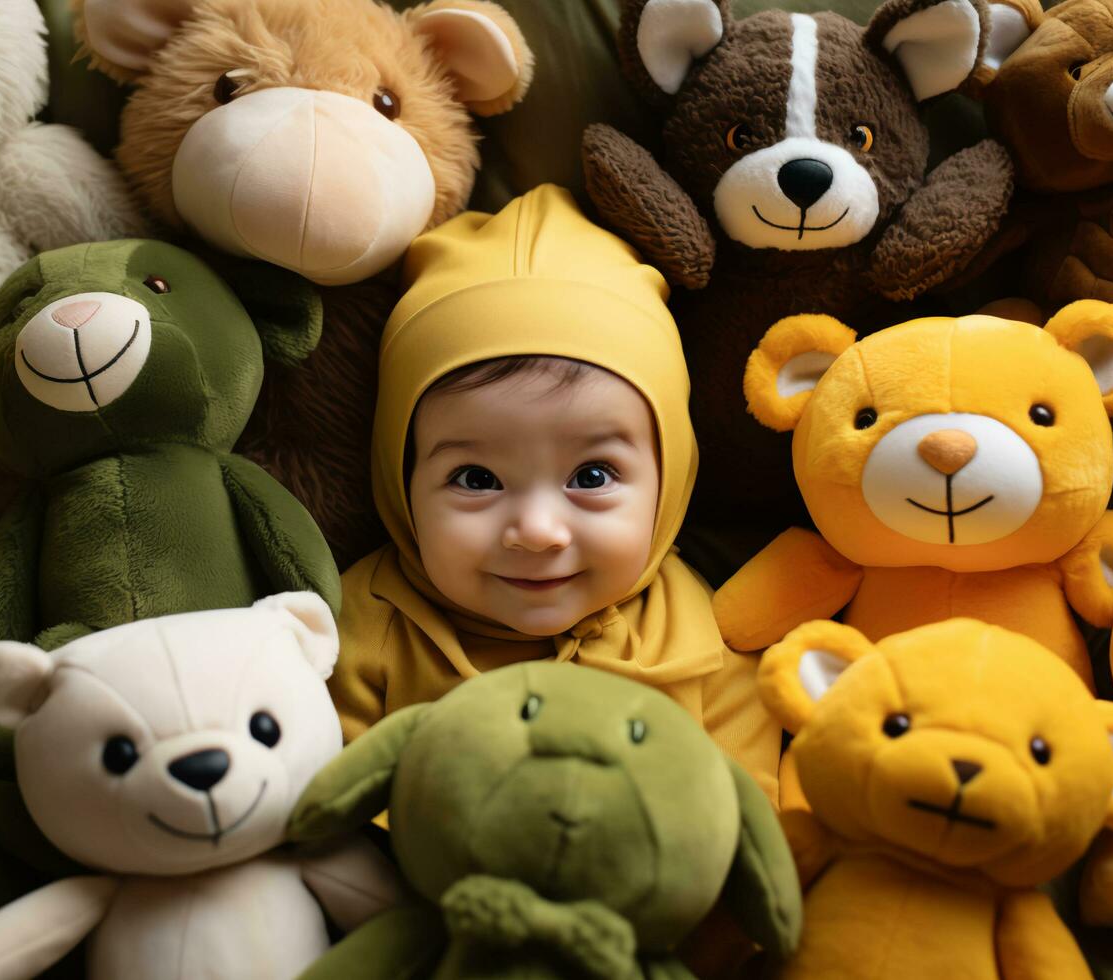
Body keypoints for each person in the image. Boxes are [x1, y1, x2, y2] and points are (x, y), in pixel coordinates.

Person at [329, 185, 779, 801]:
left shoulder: (704, 637)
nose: (538, 531)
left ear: (670, 477)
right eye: (477, 479)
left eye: (592, 477)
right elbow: (330, 810)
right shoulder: (362, 628)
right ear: (399, 477)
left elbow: (748, 819)